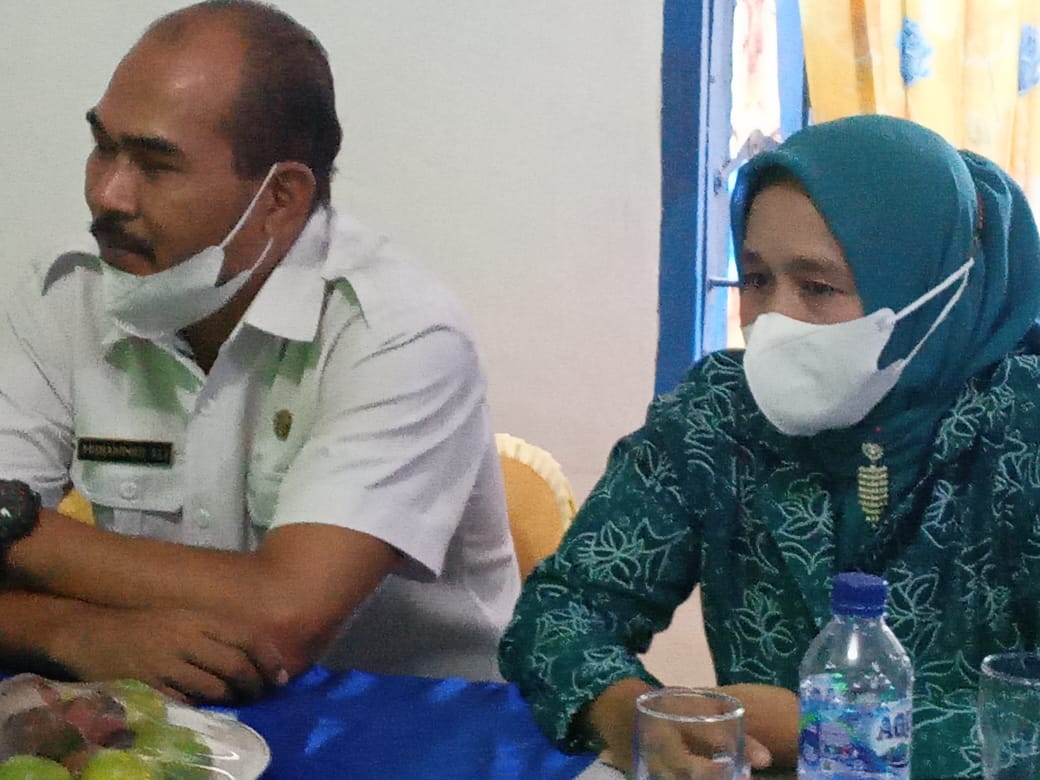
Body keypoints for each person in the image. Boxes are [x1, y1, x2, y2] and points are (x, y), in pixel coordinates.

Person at [0, 0, 519, 703]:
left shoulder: (398, 331)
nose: (108, 194)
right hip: (165, 711)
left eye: (155, 164)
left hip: (408, 721)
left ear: (280, 197)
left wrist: (13, 525)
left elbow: (281, 616)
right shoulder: (65, 292)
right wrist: (70, 632)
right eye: (103, 147)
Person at [499, 113, 1040, 779]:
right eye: (756, 279)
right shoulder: (718, 417)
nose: (776, 318)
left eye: (817, 287)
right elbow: (560, 611)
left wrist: (825, 731)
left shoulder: (1022, 427)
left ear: (929, 289)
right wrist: (631, 715)